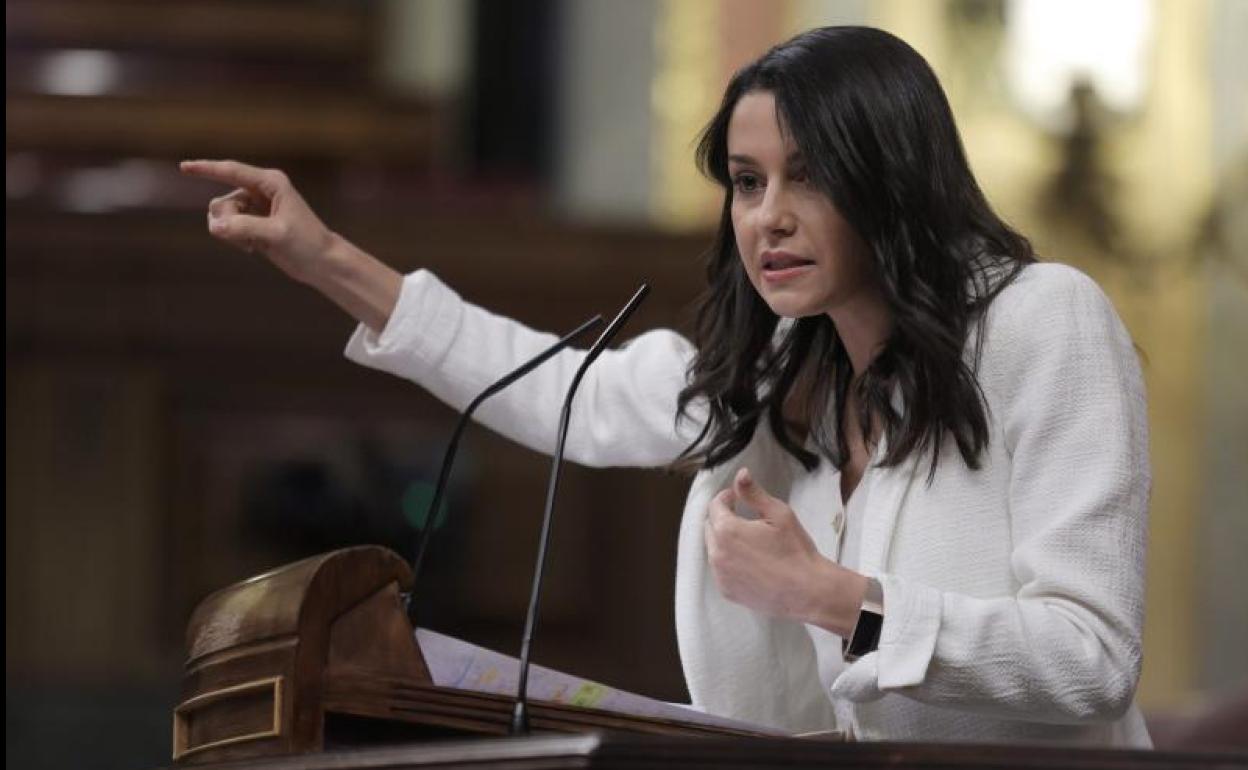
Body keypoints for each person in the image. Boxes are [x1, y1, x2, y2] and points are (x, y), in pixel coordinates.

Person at [182, 26, 1151, 746]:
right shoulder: (778, 367)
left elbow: (1092, 656)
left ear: (890, 177)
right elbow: (563, 390)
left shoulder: (1044, 322)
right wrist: (324, 259)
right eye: (745, 181)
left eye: (805, 177)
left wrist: (834, 594)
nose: (766, 217)